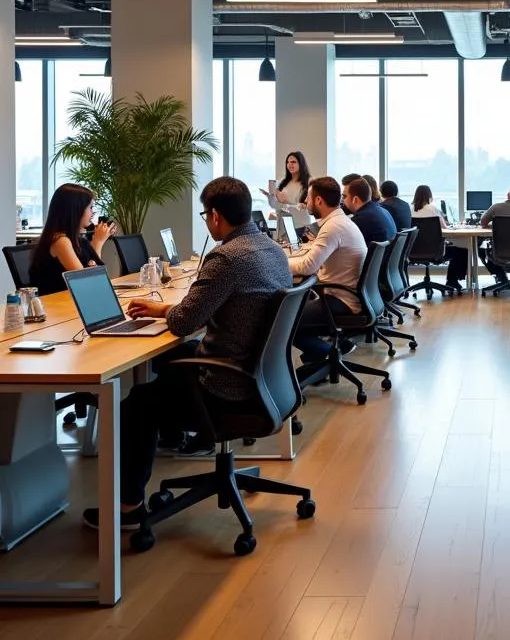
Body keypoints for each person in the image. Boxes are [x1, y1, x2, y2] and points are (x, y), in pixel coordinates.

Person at [82, 176, 293, 531]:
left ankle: (128, 507)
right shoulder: (270, 248)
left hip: (227, 383)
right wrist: (162, 310)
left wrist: (168, 312)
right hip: (264, 376)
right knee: (171, 358)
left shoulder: (225, 257)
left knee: (137, 404)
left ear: (214, 216)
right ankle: (175, 435)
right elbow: (194, 316)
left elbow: (184, 323)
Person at [288, 176, 367, 368]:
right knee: (296, 304)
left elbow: (308, 266)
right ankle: (323, 354)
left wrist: (278, 261)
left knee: (283, 319)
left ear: (319, 201)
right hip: (349, 294)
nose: (305, 202)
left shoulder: (333, 228)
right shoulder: (339, 222)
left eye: (308, 197)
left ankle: (324, 354)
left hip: (341, 299)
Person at [29, 183, 113, 295]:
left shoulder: (76, 240)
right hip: (56, 308)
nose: (92, 213)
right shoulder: (61, 242)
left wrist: (97, 242)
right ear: (76, 210)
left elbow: (92, 269)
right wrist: (98, 242)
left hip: (68, 303)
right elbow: (88, 282)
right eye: (90, 207)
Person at [412, 184, 468, 289]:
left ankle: (452, 281)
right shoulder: (433, 209)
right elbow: (444, 227)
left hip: (413, 251)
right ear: (429, 196)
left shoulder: (410, 210)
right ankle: (452, 281)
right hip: (434, 252)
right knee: (462, 251)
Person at [344, 176, 397, 245]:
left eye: (344, 196)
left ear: (355, 199)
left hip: (372, 255)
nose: (342, 200)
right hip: (387, 255)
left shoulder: (361, 219)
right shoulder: (384, 211)